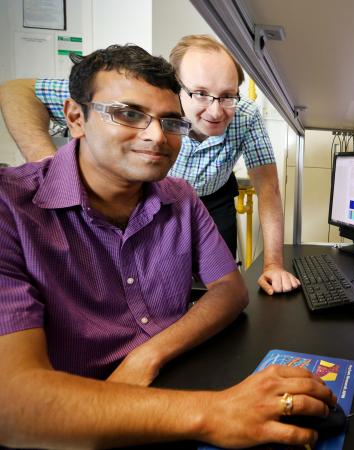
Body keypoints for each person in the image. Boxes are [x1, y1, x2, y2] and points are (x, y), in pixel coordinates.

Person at [0, 45, 334, 449]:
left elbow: (230, 288)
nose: (157, 137)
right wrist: (214, 414)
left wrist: (146, 356)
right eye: (128, 114)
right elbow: (13, 407)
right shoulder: (11, 211)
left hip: (171, 383)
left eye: (171, 122)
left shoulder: (180, 196)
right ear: (75, 117)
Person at [0, 34, 300, 296]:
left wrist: (273, 264)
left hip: (212, 199)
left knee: (214, 283)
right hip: (150, 202)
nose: (215, 111)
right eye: (200, 94)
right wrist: (49, 163)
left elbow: (269, 189)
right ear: (174, 87)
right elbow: (16, 90)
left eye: (227, 97)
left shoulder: (245, 115)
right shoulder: (123, 97)